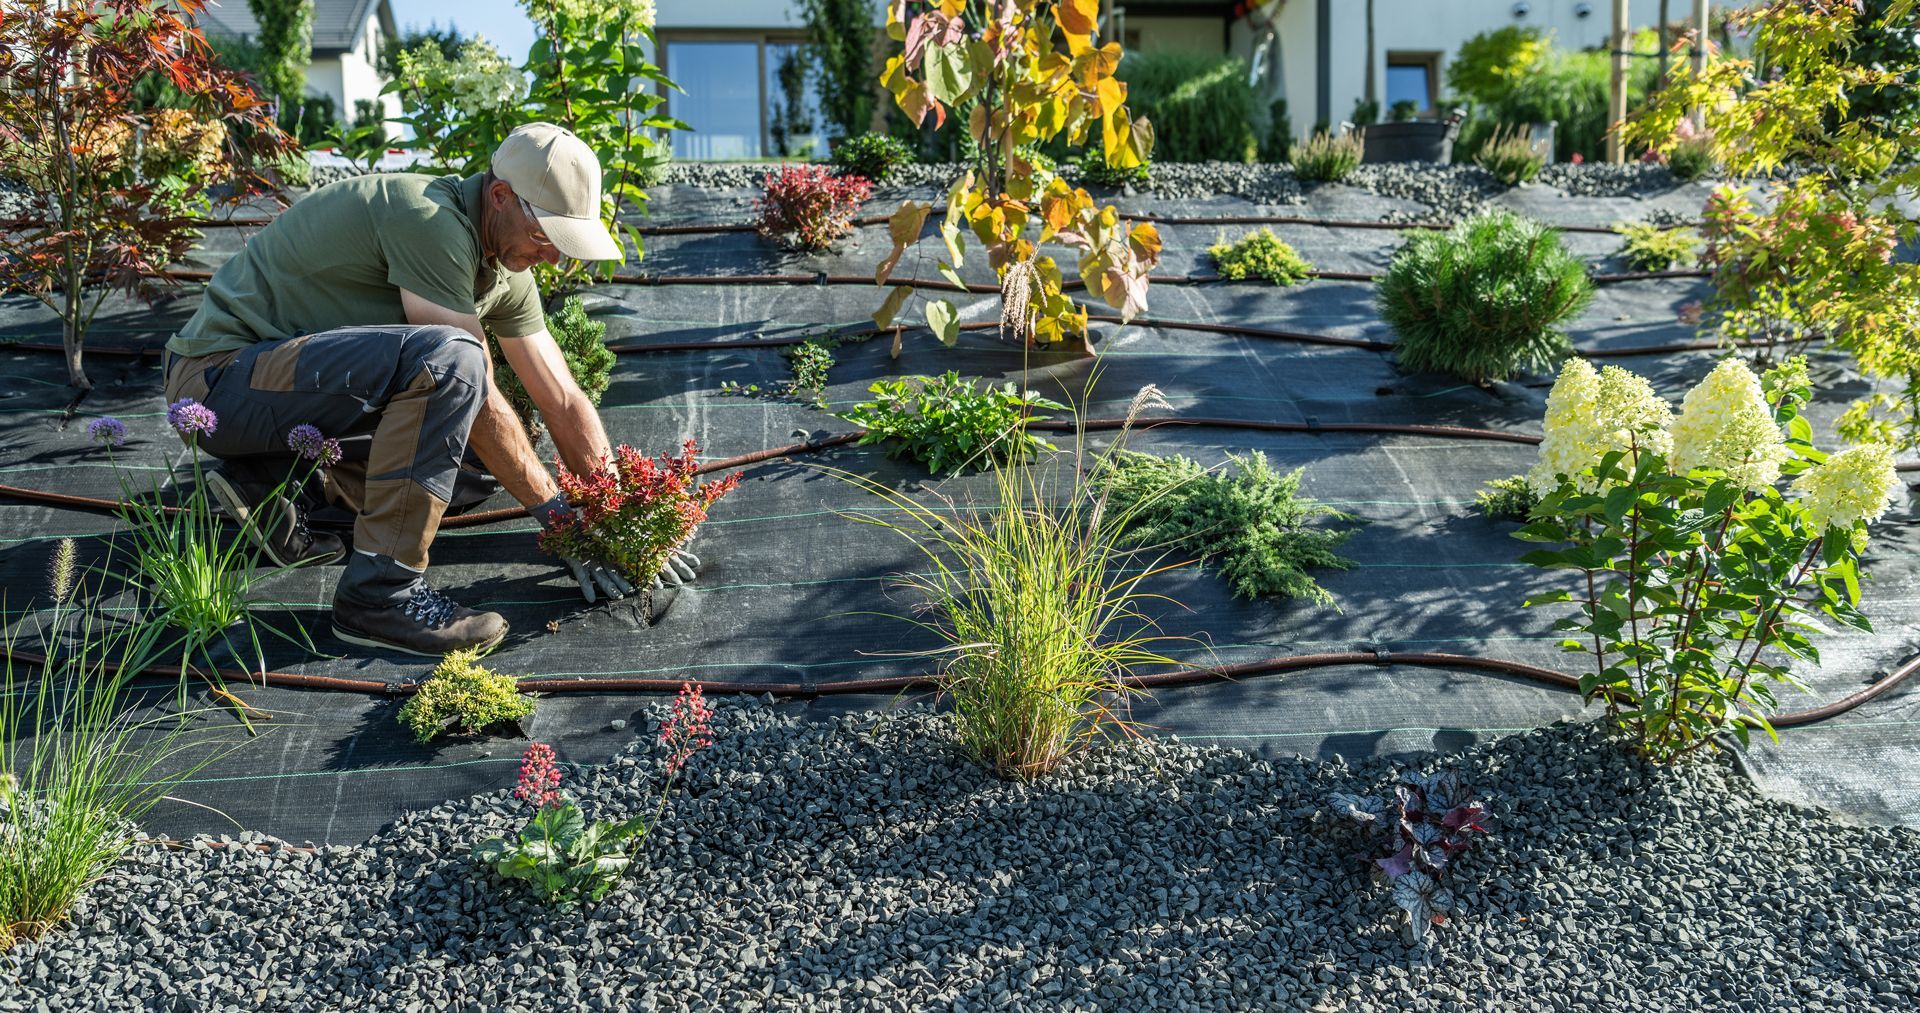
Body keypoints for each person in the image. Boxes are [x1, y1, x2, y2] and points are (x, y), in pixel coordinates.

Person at [162, 122, 638, 657]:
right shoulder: (428, 219)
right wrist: (559, 520)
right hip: (217, 382)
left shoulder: (504, 267)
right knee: (457, 362)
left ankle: (278, 487)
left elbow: (562, 398)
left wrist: (612, 514)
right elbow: (471, 387)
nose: (553, 257)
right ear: (501, 196)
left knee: (473, 470)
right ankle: (379, 594)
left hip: (288, 397)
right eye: (546, 236)